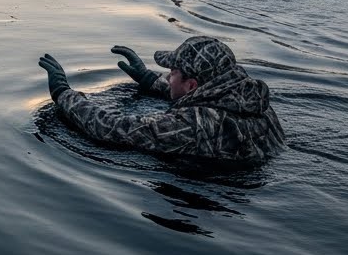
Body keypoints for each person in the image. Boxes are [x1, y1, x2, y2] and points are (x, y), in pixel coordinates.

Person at [37, 36, 285, 164]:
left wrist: (63, 92)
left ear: (191, 84)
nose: (168, 75)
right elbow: (206, 93)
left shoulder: (191, 125)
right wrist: (148, 79)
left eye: (173, 72)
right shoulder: (256, 102)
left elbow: (111, 128)